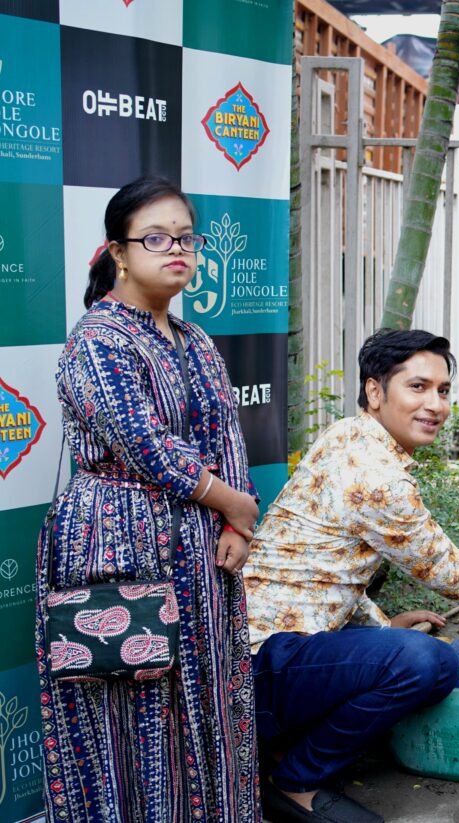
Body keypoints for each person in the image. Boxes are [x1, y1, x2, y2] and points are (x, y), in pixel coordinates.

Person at [245, 328, 459, 823]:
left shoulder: (347, 435)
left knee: (411, 654)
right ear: (374, 391)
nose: (436, 404)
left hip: (265, 652)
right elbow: (435, 559)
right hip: (263, 665)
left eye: (443, 390)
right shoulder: (377, 475)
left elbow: (326, 569)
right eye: (418, 387)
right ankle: (295, 781)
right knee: (426, 663)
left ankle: (280, 751)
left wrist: (380, 626)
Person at [37, 177, 262, 821]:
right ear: (119, 252)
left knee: (208, 696)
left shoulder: (197, 341)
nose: (177, 250)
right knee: (130, 708)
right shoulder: (98, 338)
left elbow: (227, 436)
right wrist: (230, 502)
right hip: (117, 543)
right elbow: (142, 443)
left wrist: (238, 523)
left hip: (202, 552)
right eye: (156, 238)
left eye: (186, 238)